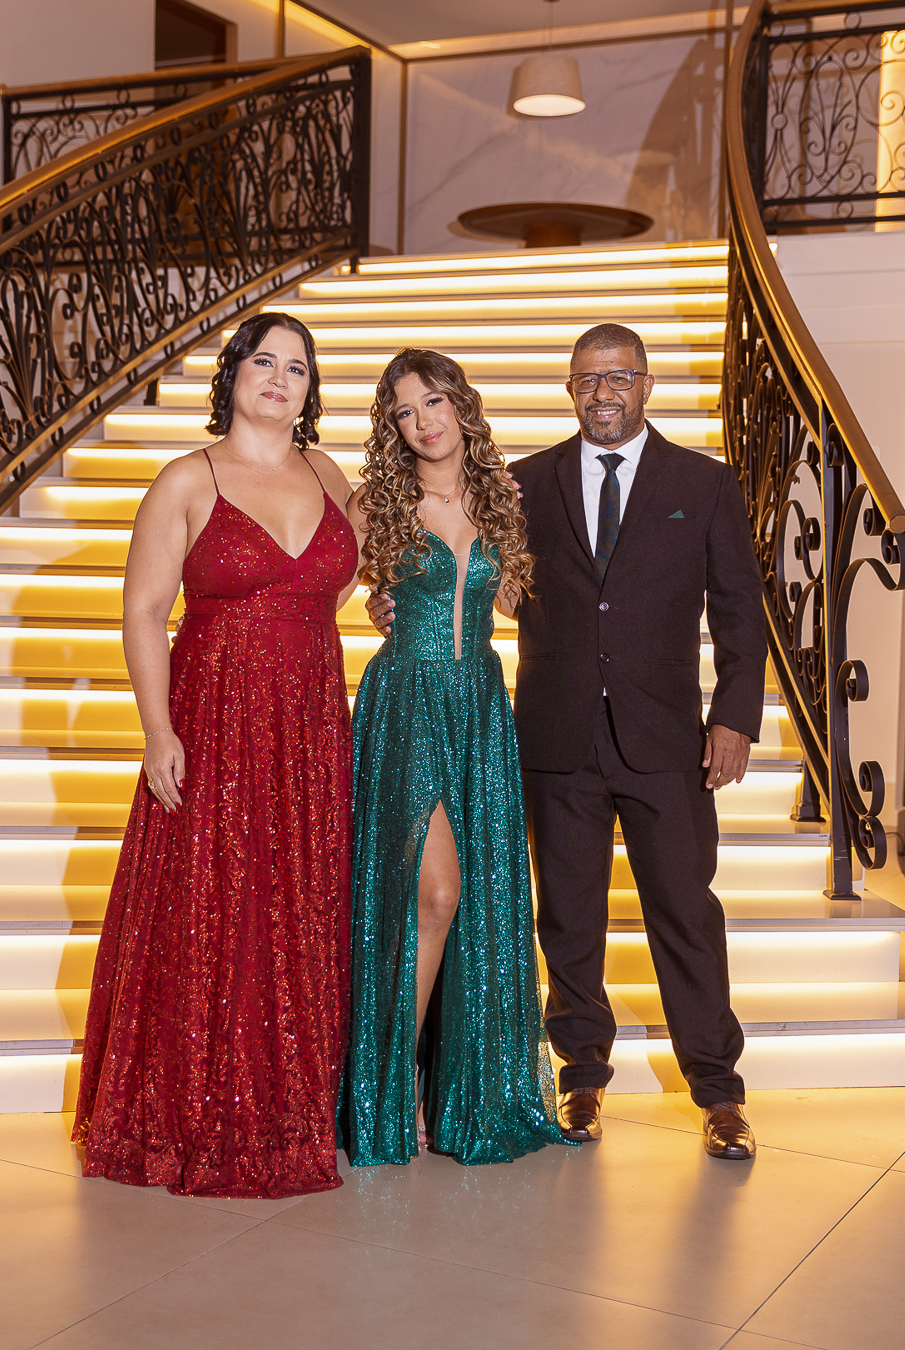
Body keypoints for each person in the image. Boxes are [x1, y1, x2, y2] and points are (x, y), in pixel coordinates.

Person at [371, 322, 767, 1160]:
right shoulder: (520, 485)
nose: (604, 392)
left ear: (646, 384)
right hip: (554, 739)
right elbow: (468, 577)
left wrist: (734, 715)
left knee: (686, 914)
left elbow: (739, 607)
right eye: (588, 379)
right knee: (568, 919)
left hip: (667, 740)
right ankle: (580, 1079)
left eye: (619, 376)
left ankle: (718, 1091)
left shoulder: (704, 483)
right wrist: (391, 599)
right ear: (570, 391)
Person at [73, 312, 359, 1198]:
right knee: (210, 904)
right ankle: (191, 1110)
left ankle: (292, 1107)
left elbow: (342, 580)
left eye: (297, 368)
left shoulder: (330, 474)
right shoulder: (186, 480)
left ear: (310, 390)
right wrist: (158, 729)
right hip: (216, 718)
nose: (280, 378)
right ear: (233, 375)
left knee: (298, 899)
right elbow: (142, 611)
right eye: (263, 361)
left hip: (310, 723)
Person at [341, 348, 562, 1167]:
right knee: (435, 894)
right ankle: (386, 1088)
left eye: (432, 402)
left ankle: (457, 1086)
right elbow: (321, 594)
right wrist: (373, 603)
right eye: (404, 411)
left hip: (479, 705)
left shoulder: (503, 498)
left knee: (476, 902)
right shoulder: (377, 503)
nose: (422, 422)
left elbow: (508, 600)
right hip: (406, 700)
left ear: (460, 405)